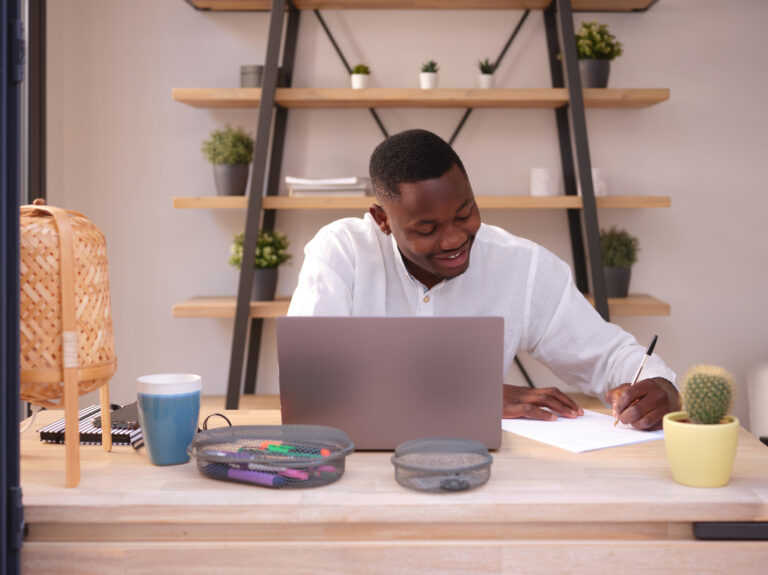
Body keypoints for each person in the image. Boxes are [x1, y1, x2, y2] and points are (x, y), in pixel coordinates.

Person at [287, 129, 679, 430]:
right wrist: (465, 397)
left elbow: (608, 356)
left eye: (464, 213)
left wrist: (659, 386)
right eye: (427, 229)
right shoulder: (342, 252)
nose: (455, 239)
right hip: (357, 472)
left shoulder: (522, 266)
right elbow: (310, 385)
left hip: (480, 476)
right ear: (383, 220)